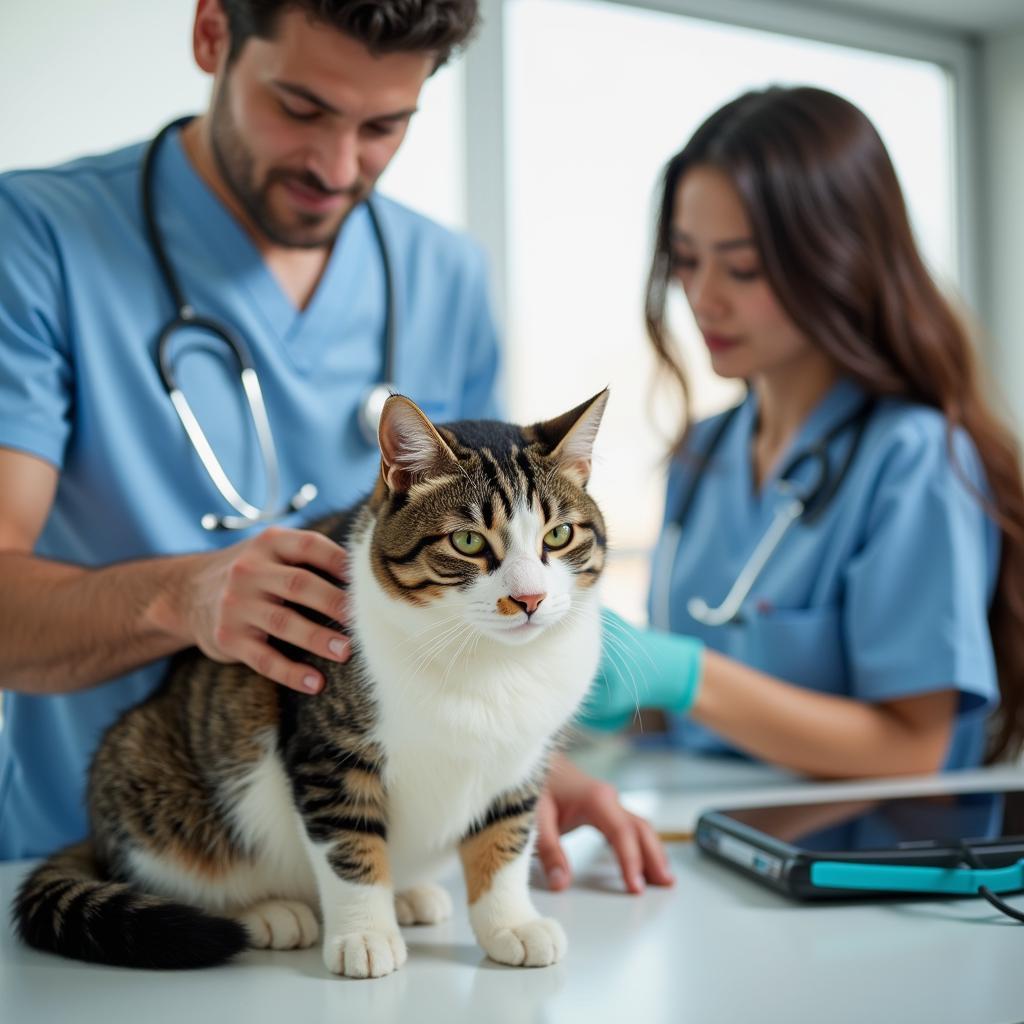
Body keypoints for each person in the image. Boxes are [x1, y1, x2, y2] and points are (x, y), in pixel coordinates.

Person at [0, 0, 672, 892]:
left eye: (385, 125)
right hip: (135, 853)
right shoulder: (36, 239)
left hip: (379, 858)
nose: (337, 165)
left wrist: (518, 761)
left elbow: (495, 558)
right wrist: (181, 596)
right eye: (302, 108)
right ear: (211, 36)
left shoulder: (444, 276)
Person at [564, 86, 1024, 797]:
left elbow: (916, 747)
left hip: (856, 869)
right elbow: (678, 718)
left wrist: (686, 675)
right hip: (703, 837)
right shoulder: (704, 453)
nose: (705, 297)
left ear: (838, 258)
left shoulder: (913, 458)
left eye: (743, 267)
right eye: (686, 260)